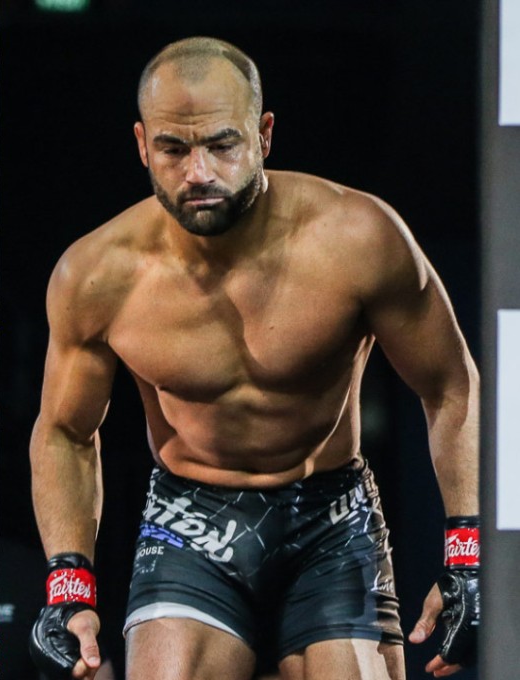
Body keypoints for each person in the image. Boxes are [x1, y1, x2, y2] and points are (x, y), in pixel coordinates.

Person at [28, 37, 478, 680]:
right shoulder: (96, 274)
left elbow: (453, 388)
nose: (199, 172)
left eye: (221, 143)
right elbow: (65, 431)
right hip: (191, 520)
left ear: (264, 135)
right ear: (141, 145)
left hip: (332, 515)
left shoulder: (358, 238)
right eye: (174, 149)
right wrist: (68, 586)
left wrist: (470, 557)